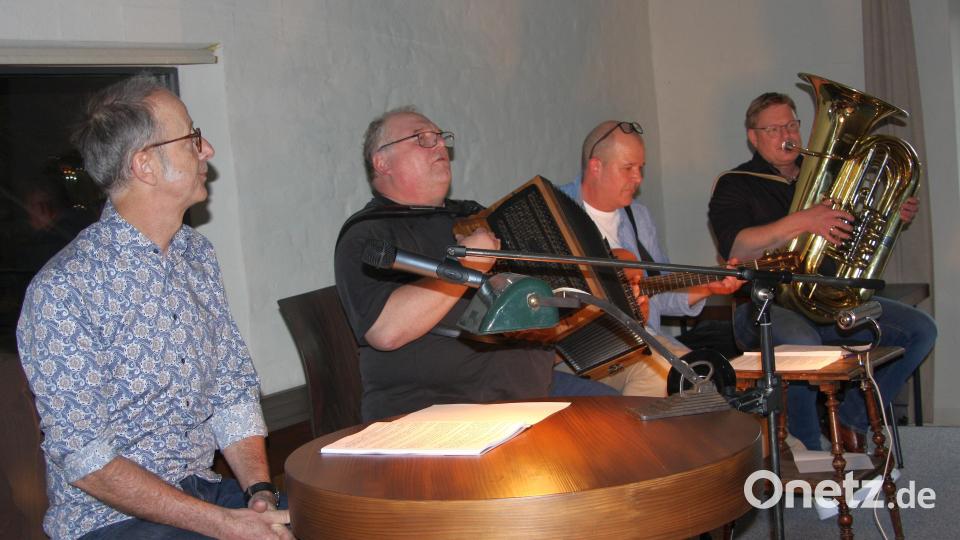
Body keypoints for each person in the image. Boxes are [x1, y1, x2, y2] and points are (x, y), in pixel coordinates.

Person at [16, 76, 291, 540]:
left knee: (336, 521)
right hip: (111, 521)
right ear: (145, 165)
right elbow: (87, 461)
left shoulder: (197, 256)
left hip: (201, 492)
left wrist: (258, 492)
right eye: (191, 138)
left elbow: (231, 394)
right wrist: (223, 524)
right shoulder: (64, 290)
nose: (208, 151)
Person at [335, 106, 618, 422]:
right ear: (382, 162)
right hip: (437, 413)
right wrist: (467, 268)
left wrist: (605, 286)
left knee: (625, 418)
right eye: (422, 138)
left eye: (441, 137)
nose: (440, 144)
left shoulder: (475, 219)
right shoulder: (367, 236)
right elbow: (384, 330)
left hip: (532, 396)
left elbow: (543, 297)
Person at [708, 92, 937, 451]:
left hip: (827, 301)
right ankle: (808, 445)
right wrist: (803, 222)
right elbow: (736, 247)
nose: (787, 134)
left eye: (792, 124)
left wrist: (893, 210)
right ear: (753, 136)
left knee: (920, 330)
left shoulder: (830, 178)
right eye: (774, 128)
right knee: (803, 344)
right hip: (765, 309)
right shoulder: (735, 183)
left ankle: (850, 422)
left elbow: (855, 233)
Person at [557, 120, 742, 396]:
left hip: (643, 341)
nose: (638, 179)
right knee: (667, 379)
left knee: (705, 377)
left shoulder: (639, 218)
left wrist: (707, 288)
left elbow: (659, 291)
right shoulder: (557, 211)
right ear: (596, 166)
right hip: (578, 351)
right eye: (628, 168)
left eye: (640, 168)